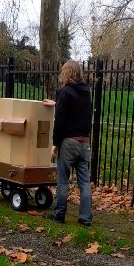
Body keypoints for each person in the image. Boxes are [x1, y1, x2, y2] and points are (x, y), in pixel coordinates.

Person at [43, 60, 93, 227]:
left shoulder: (65, 92)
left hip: (69, 142)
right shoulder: (86, 92)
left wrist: (55, 143)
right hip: (84, 142)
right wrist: (56, 104)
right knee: (84, 182)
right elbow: (77, 111)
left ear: (66, 73)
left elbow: (61, 119)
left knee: (63, 180)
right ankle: (86, 218)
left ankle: (59, 214)